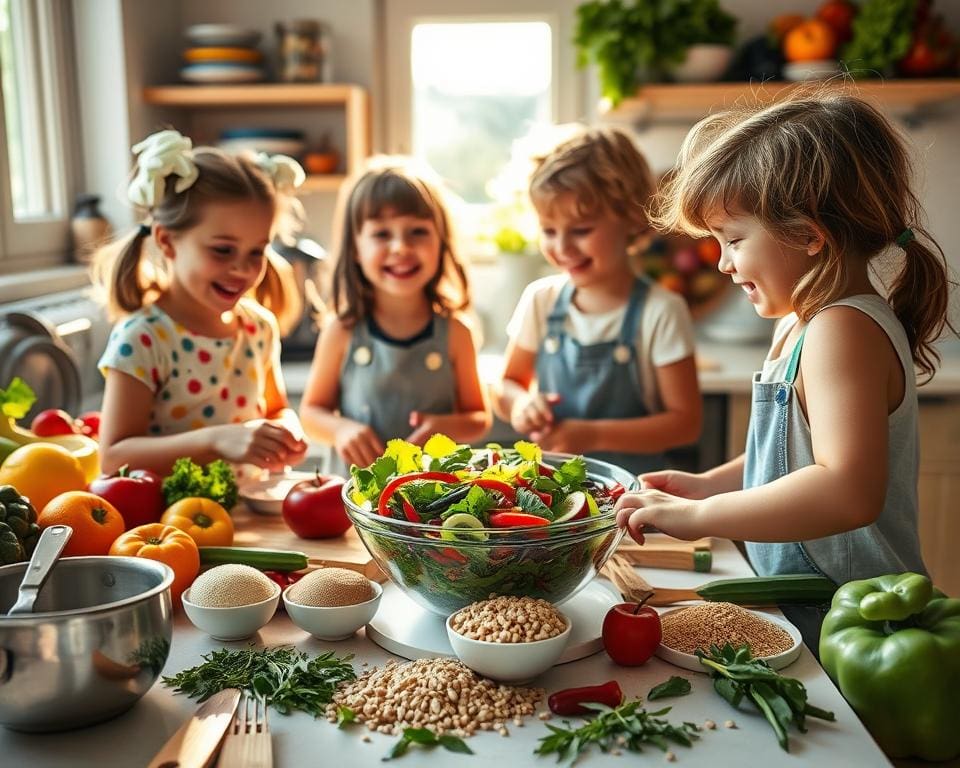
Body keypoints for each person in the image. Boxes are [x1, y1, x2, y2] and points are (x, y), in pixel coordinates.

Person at [615, 92, 956, 648]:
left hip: (861, 622)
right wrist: (706, 488)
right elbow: (794, 453)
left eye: (734, 240)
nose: (723, 263)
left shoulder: (841, 330)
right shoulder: (801, 322)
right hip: (812, 606)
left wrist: (704, 518)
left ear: (807, 234)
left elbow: (846, 489)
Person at [94, 129, 308, 478]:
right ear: (167, 241)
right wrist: (216, 440)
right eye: (222, 250)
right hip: (167, 526)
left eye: (257, 251)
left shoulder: (259, 328)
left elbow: (276, 410)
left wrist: (286, 431)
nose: (242, 268)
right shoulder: (142, 338)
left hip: (247, 521)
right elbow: (115, 457)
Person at [493, 126, 702, 475]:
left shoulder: (662, 311)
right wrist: (521, 404)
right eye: (548, 230)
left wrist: (591, 434)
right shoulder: (540, 300)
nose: (562, 248)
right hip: (552, 491)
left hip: (633, 500)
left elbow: (685, 424)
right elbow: (505, 385)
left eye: (581, 230)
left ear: (632, 219)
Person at [299, 157, 490, 472]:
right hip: (356, 500)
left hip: (432, 498)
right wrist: (342, 430)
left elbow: (479, 419)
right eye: (382, 234)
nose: (401, 247)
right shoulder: (342, 330)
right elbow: (311, 414)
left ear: (441, 244)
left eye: (417, 231)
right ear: (355, 250)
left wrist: (446, 428)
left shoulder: (456, 332)